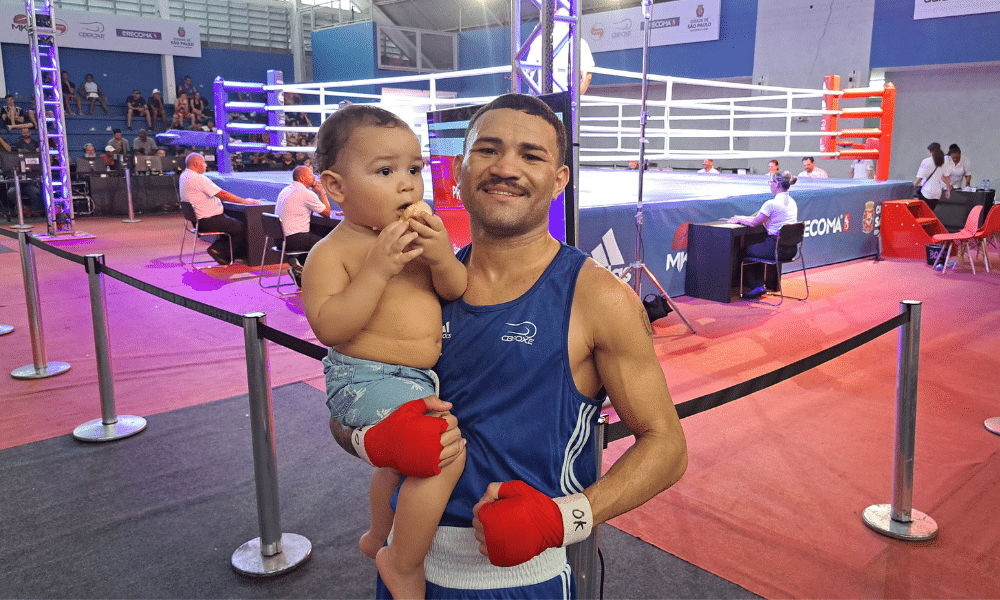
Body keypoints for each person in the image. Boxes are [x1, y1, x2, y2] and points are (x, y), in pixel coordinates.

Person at [320, 94, 688, 598]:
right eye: (489, 150)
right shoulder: (412, 278)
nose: (506, 168)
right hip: (405, 569)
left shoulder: (597, 297)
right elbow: (349, 407)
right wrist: (371, 441)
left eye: (531, 156)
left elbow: (666, 446)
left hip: (521, 581)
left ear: (559, 181)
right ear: (459, 169)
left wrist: (562, 520)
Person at [302, 104, 469, 600]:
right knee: (440, 453)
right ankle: (402, 559)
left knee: (394, 464)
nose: (407, 184)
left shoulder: (417, 240)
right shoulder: (334, 252)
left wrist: (442, 257)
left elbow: (455, 290)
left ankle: (378, 533)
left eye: (414, 170)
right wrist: (376, 269)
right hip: (363, 378)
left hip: (414, 382)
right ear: (335, 187)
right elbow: (329, 326)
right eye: (385, 171)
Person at [728, 171, 800, 299]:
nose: (770, 185)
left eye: (771, 182)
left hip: (775, 248)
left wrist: (739, 219)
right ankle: (760, 285)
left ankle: (757, 286)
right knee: (758, 248)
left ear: (777, 184)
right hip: (792, 250)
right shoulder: (793, 202)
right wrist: (744, 217)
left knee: (744, 252)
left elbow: (755, 222)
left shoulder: (771, 204)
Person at [179, 152, 260, 264]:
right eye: (204, 163)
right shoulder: (198, 178)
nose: (206, 165)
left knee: (231, 224)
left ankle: (228, 254)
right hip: (208, 220)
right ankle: (218, 250)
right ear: (197, 164)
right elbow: (222, 195)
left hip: (197, 221)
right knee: (241, 228)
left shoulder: (184, 176)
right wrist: (245, 201)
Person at [274, 165, 332, 287]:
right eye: (311, 175)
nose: (314, 177)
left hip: (280, 240)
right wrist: (323, 192)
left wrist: (314, 194)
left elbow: (306, 210)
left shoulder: (286, 190)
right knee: (328, 245)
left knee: (313, 240)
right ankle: (324, 282)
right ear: (302, 178)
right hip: (294, 239)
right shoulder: (305, 193)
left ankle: (300, 271)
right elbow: (327, 213)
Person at [525, 7, 595, 94]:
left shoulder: (539, 40)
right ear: (570, 21)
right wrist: (575, 99)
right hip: (563, 96)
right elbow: (587, 76)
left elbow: (527, 71)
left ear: (553, 20)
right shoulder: (579, 42)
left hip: (539, 95)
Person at [914, 144, 951, 210]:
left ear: (931, 151)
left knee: (921, 214)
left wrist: (914, 186)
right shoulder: (944, 162)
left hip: (925, 191)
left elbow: (920, 178)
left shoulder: (926, 161)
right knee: (930, 213)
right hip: (937, 193)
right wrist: (948, 190)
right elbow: (946, 178)